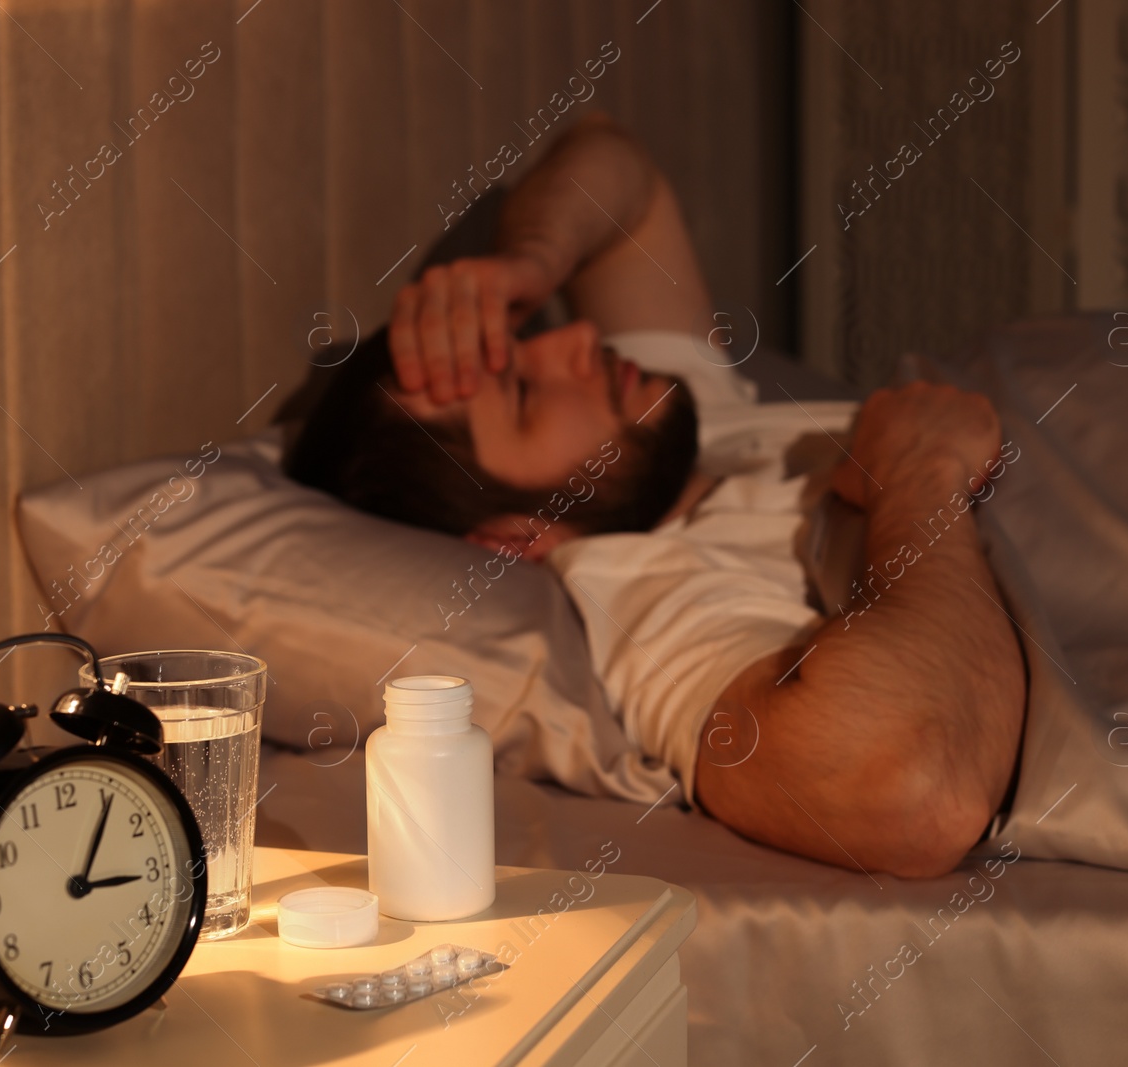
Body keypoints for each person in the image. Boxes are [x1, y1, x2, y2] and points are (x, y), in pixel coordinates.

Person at [287, 113, 1025, 879]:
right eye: (526, 393)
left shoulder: (682, 426)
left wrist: (528, 264)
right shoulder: (653, 591)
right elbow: (915, 793)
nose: (575, 341)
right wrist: (921, 472)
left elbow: (614, 167)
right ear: (517, 536)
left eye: (527, 335)